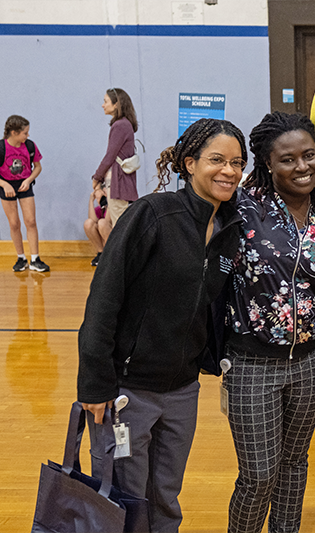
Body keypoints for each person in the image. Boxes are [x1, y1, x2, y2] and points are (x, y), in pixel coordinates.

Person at [77, 118, 246, 532]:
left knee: (165, 499)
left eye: (238, 163)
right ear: (190, 163)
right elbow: (104, 298)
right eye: (217, 160)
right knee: (123, 499)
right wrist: (95, 383)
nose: (229, 171)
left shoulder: (230, 227)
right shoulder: (152, 214)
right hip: (127, 391)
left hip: (183, 391)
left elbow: (212, 303)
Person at [221, 111, 315, 533]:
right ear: (267, 163)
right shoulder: (242, 211)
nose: (302, 166)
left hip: (313, 360)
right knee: (258, 475)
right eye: (288, 159)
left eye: (308, 155)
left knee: (293, 463)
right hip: (251, 364)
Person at [0, 115, 49, 272]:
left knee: (31, 221)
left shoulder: (30, 146)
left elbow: (38, 166)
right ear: (14, 133)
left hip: (24, 184)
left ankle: (35, 259)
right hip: (6, 185)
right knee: (14, 223)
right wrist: (4, 184)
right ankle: (21, 258)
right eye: (25, 133)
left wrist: (29, 179)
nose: (28, 136)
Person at [90, 87, 139, 262]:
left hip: (118, 183)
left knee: (120, 226)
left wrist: (96, 177)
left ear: (116, 104)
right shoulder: (125, 124)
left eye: (106, 101)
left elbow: (110, 156)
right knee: (119, 224)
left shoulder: (120, 125)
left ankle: (123, 264)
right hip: (118, 182)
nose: (102, 105)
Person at [83, 185, 112, 266]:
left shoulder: (113, 207)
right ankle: (100, 253)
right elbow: (92, 221)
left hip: (111, 236)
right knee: (88, 223)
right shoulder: (99, 209)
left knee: (102, 223)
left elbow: (107, 221)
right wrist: (91, 200)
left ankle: (109, 254)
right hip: (102, 240)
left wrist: (109, 200)